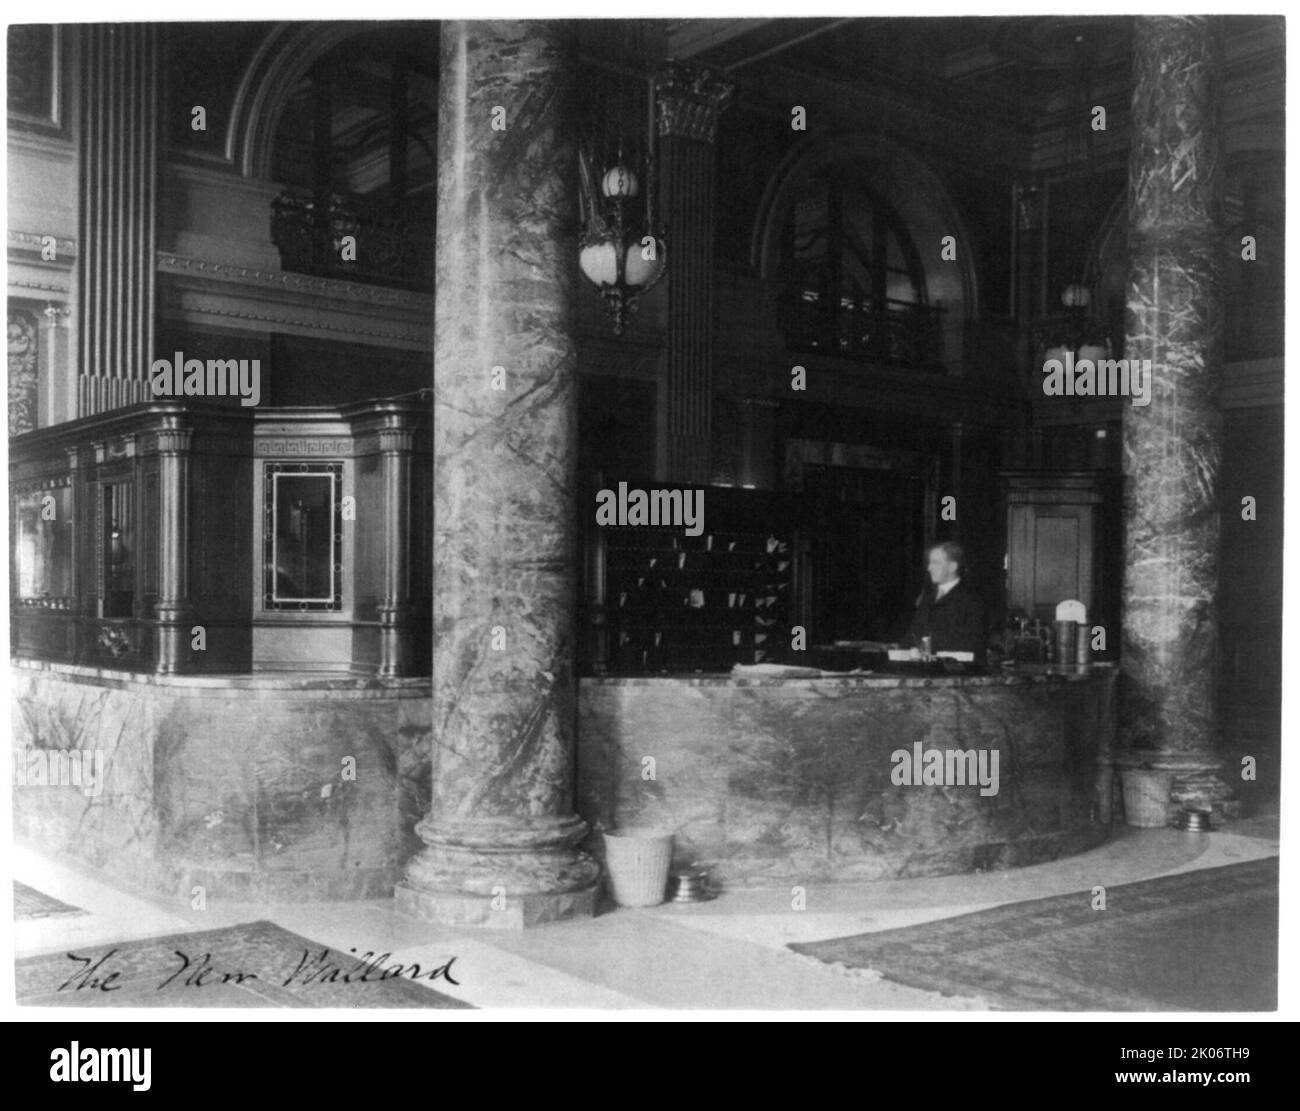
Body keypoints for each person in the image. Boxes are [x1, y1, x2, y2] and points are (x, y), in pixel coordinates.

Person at [902, 541, 986, 657]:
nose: (929, 568)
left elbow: (972, 643)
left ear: (952, 567)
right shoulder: (928, 598)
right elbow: (914, 633)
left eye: (935, 563)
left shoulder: (971, 600)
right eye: (929, 563)